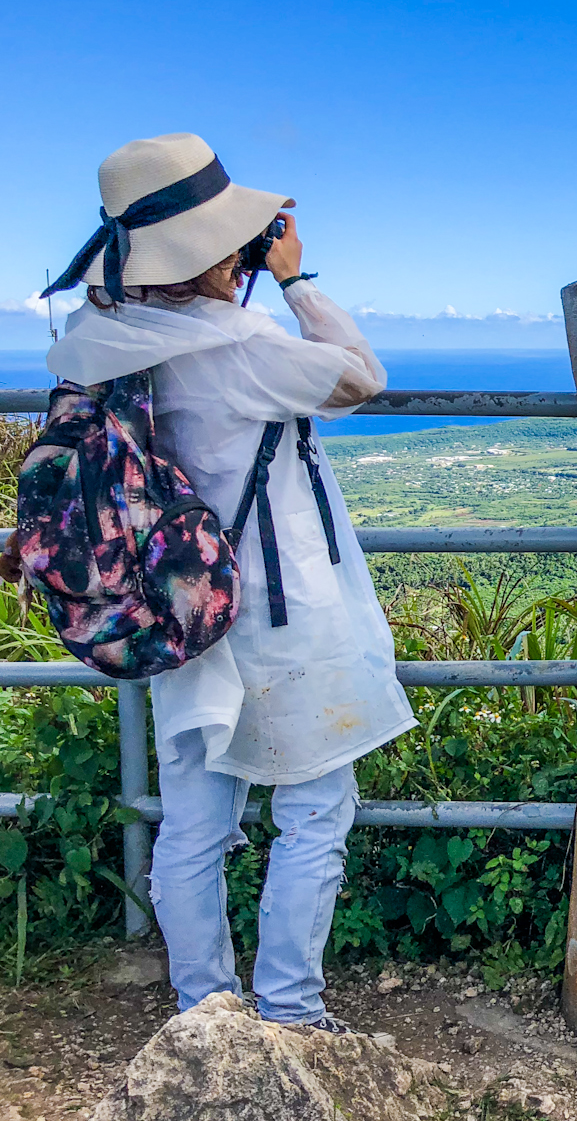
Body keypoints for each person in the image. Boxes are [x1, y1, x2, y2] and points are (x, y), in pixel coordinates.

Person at [35, 133, 416, 1031]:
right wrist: (294, 278)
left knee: (195, 824)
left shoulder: (96, 340)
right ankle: (289, 1013)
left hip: (177, 607)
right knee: (316, 807)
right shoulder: (242, 342)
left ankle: (203, 1013)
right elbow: (360, 377)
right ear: (218, 252)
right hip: (280, 615)